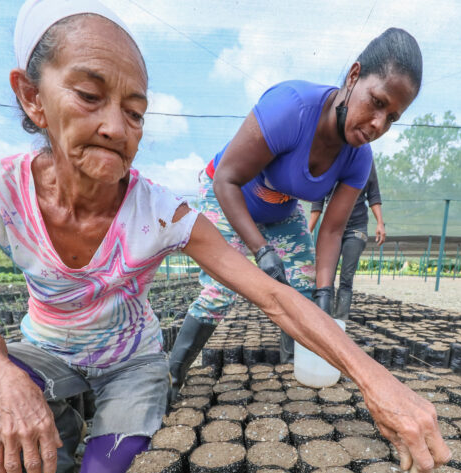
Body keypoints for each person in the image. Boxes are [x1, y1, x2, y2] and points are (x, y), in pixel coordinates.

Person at [0, 0, 449, 473]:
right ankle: (62, 412)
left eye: (134, 111)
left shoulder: (160, 213)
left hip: (129, 364)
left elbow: (276, 296)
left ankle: (112, 403)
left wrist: (376, 381)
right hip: (46, 352)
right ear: (32, 96)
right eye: (88, 95)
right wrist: (7, 381)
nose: (115, 127)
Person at [167, 29, 422, 401]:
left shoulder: (359, 158)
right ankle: (172, 374)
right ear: (353, 77)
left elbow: (332, 232)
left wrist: (322, 292)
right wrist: (261, 251)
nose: (378, 125)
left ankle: (294, 370)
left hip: (280, 209)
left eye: (392, 118)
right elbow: (227, 180)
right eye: (377, 102)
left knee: (303, 290)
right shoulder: (291, 108)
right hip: (226, 195)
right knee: (222, 288)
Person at [308, 162, 385, 320]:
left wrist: (380, 223)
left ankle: (341, 320)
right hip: (331, 229)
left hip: (356, 228)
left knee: (346, 277)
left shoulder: (365, 162)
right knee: (325, 277)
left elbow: (373, 195)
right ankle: (324, 319)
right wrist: (307, 230)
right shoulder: (329, 160)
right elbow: (318, 201)